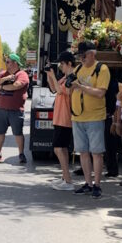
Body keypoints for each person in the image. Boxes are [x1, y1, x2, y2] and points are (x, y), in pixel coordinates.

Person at [69, 41, 111, 199]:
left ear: (92, 54)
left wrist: (81, 87)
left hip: (94, 117)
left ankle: (97, 185)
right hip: (78, 116)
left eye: (83, 55)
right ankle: (87, 183)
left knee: (96, 153)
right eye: (79, 56)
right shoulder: (78, 68)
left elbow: (101, 93)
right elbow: (70, 88)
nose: (81, 59)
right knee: (83, 152)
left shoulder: (102, 69)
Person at [0, 54, 30, 164]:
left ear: (15, 63)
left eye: (8, 62)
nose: (6, 64)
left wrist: (1, 85)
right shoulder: (3, 74)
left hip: (15, 110)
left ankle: (21, 154)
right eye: (6, 62)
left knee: (18, 133)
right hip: (1, 109)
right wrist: (5, 79)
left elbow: (15, 86)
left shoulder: (22, 74)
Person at [46, 51, 76, 190]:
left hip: (65, 117)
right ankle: (65, 177)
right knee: (61, 148)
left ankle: (68, 181)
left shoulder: (73, 77)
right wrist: (49, 75)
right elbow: (54, 88)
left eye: (62, 64)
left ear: (69, 63)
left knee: (58, 148)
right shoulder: (64, 77)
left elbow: (61, 91)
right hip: (59, 117)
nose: (60, 66)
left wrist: (53, 75)